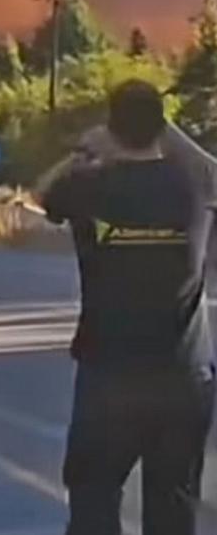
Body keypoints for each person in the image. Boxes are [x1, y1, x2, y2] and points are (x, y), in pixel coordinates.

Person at [38, 80, 217, 535]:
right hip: (184, 378)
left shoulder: (88, 186)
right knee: (174, 504)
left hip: (110, 378)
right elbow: (208, 168)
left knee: (94, 498)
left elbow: (44, 194)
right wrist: (164, 128)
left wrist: (87, 150)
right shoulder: (193, 187)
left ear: (112, 128)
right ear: (160, 126)